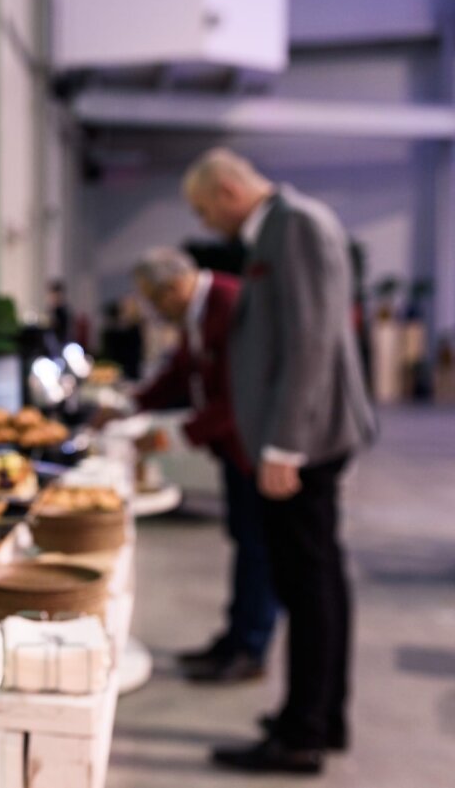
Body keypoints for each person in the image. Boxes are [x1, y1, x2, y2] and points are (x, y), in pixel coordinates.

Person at [183, 148, 376, 775]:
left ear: (231, 187)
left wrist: (285, 444)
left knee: (308, 585)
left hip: (307, 440)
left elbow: (312, 339)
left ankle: (302, 735)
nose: (207, 221)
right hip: (304, 435)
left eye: (205, 207)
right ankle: (322, 717)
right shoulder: (283, 228)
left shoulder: (297, 225)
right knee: (316, 584)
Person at [123, 248, 276, 683]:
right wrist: (135, 404)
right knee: (244, 541)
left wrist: (175, 435)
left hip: (253, 447)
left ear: (173, 287)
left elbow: (242, 395)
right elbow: (182, 371)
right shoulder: (199, 310)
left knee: (258, 549)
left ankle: (251, 646)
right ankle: (236, 638)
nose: (155, 311)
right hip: (232, 447)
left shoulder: (229, 304)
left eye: (155, 300)